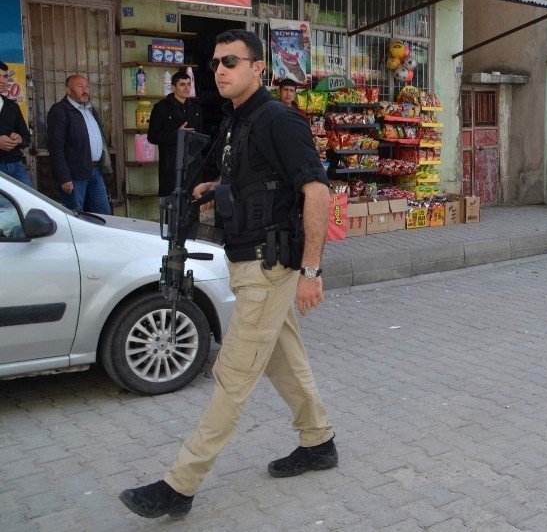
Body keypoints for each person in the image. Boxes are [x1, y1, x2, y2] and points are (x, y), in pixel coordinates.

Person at [120, 30, 335, 519]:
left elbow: (316, 191)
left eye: (231, 62)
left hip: (269, 265)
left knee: (233, 374)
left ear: (258, 68)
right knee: (285, 359)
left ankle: (180, 483)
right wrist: (213, 188)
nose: (219, 70)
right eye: (215, 63)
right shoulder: (237, 121)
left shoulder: (280, 120)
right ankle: (319, 441)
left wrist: (311, 270)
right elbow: (250, 181)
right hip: (245, 261)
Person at [46, 75, 112, 214]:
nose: (85, 90)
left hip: (95, 171)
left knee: (104, 216)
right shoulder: (60, 110)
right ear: (68, 90)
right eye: (80, 86)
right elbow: (56, 147)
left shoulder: (90, 109)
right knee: (75, 217)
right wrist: (64, 177)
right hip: (74, 175)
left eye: (87, 86)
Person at [147, 71, 203, 196]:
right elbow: (152, 136)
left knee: (193, 202)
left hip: (193, 162)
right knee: (172, 203)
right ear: (173, 87)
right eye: (182, 84)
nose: (187, 88)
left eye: (189, 84)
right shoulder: (161, 107)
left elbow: (200, 136)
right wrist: (176, 134)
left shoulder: (196, 109)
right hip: (171, 162)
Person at [0, 61, 32, 187]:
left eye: (5, 76)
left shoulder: (12, 106)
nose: (2, 81)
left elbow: (26, 137)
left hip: (16, 165)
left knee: (30, 201)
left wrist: (19, 139)